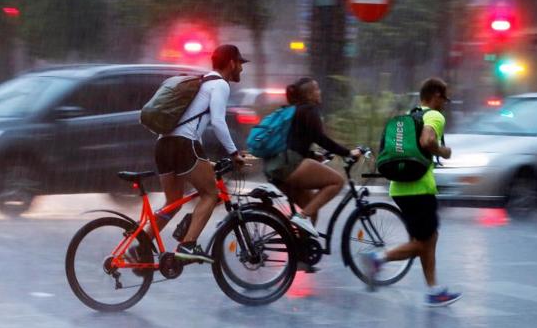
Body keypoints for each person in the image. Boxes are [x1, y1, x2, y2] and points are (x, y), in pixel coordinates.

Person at [128, 44, 247, 263]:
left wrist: (204, 163)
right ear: (231, 63)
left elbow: (193, 124)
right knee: (211, 194)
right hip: (183, 145)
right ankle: (188, 244)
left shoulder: (201, 83)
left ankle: (142, 243)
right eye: (240, 64)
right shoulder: (220, 85)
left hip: (164, 144)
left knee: (173, 201)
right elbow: (219, 123)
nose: (241, 69)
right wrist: (234, 153)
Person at [361, 78, 463, 307]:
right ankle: (377, 258)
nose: (445, 104)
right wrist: (444, 151)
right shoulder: (434, 116)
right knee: (424, 243)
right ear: (435, 95)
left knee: (427, 238)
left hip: (399, 186)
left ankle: (434, 290)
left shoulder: (410, 114)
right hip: (419, 187)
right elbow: (427, 141)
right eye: (444, 98)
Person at [264, 77, 361, 238]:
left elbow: (295, 141)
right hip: (289, 164)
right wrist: (348, 152)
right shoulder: (310, 110)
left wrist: (312, 155)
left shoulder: (295, 110)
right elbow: (320, 138)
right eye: (316, 89)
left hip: (274, 167)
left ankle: (301, 256)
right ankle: (301, 217)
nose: (319, 92)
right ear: (309, 94)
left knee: (312, 209)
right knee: (337, 181)